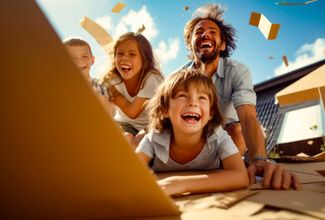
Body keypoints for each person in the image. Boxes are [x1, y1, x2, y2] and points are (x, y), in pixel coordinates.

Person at [183, 4, 300, 190]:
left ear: (222, 44)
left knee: (236, 130)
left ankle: (223, 171)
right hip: (190, 138)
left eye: (212, 32)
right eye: (199, 32)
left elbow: (247, 117)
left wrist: (260, 159)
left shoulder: (237, 71)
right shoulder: (179, 78)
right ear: (190, 43)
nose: (205, 34)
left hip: (226, 139)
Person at [136, 68, 248, 196]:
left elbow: (241, 176)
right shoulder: (153, 139)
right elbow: (128, 171)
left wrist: (182, 184)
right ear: (165, 109)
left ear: (211, 113)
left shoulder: (218, 136)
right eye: (182, 96)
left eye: (202, 98)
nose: (193, 103)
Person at [102, 32, 163, 146]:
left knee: (137, 142)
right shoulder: (112, 79)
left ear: (144, 61)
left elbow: (132, 112)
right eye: (120, 54)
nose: (124, 58)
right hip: (125, 124)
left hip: (152, 126)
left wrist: (115, 94)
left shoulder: (152, 79)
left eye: (132, 54)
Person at [63, 37, 115, 116]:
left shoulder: (102, 86)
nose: (80, 61)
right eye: (73, 58)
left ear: (92, 60)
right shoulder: (59, 88)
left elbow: (110, 113)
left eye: (84, 56)